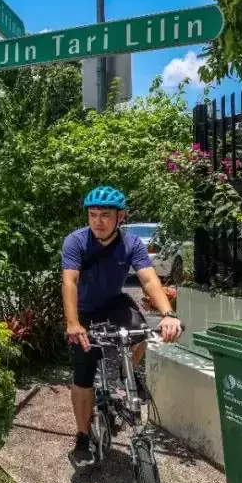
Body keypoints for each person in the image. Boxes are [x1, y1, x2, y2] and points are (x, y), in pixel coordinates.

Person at [61, 185, 184, 467]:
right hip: (84, 310)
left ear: (121, 216)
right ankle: (82, 437)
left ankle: (124, 371)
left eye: (105, 215)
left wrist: (168, 313)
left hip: (114, 303)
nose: (98, 221)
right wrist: (73, 323)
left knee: (142, 332)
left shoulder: (132, 244)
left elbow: (149, 279)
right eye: (93, 214)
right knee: (83, 375)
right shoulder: (76, 241)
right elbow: (70, 281)